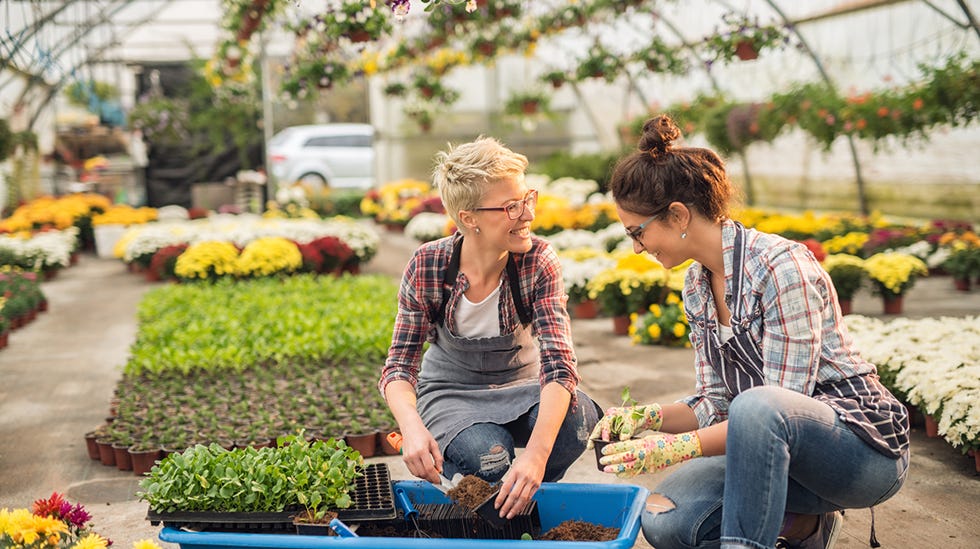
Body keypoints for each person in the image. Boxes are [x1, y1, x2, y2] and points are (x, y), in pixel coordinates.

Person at [589, 115, 909, 549]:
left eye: (637, 232)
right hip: (772, 456)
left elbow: (776, 408)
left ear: (678, 214)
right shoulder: (698, 284)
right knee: (666, 518)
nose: (637, 248)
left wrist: (677, 447)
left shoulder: (781, 268)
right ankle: (803, 527)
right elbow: (717, 401)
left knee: (759, 406)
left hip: (857, 451)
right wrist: (651, 418)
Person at [379, 136, 599, 520]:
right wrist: (412, 429)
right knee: (489, 458)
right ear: (469, 219)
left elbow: (560, 368)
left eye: (527, 199)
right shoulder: (429, 265)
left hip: (523, 384)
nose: (527, 214)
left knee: (575, 424)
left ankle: (518, 500)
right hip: (452, 392)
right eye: (511, 206)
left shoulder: (537, 262)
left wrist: (535, 458)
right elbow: (399, 366)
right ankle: (498, 501)